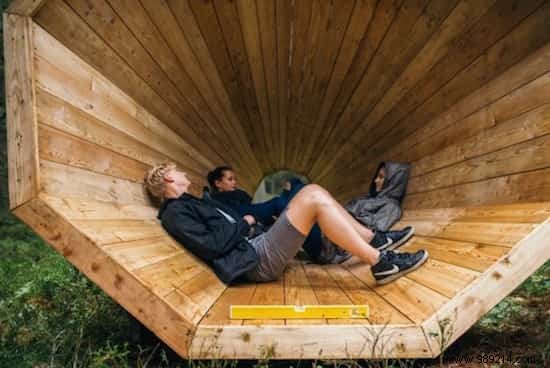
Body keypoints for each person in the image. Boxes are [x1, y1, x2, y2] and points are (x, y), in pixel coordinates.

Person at [144, 163, 428, 286]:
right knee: (313, 197)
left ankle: (374, 239)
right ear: (169, 179)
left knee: (311, 190)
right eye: (177, 171)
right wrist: (245, 222)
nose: (182, 173)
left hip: (254, 244)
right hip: (253, 260)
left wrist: (251, 224)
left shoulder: (191, 203)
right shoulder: (175, 214)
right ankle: (380, 261)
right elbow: (213, 244)